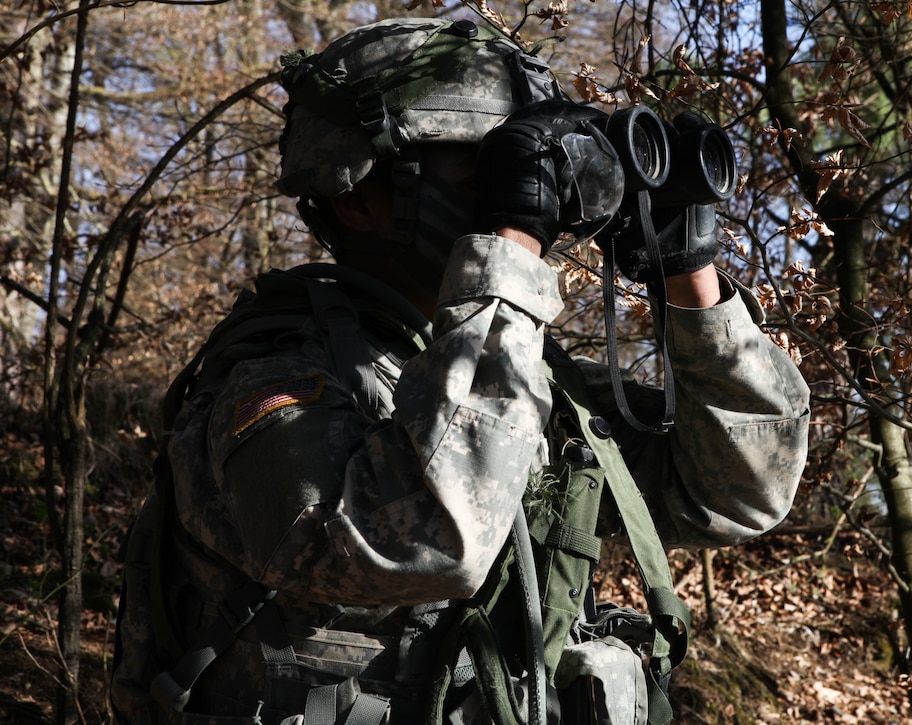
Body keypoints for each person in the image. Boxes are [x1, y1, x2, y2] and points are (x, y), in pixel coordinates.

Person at [110, 16, 810, 725]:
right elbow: (426, 539)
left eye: (521, 173)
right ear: (358, 199)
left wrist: (687, 274)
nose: (519, 196)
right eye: (488, 172)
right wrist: (513, 245)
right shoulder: (271, 383)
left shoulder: (526, 382)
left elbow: (737, 489)